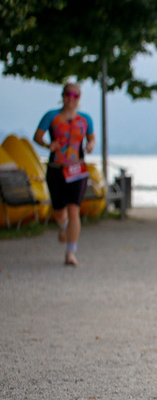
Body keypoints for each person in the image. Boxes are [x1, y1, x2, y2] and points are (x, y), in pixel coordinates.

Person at [34, 81, 96, 267]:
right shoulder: (51, 116)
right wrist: (47, 145)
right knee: (60, 212)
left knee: (74, 210)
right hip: (56, 169)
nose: (71, 98)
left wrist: (91, 145)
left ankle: (71, 252)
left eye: (75, 95)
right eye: (68, 94)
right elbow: (37, 136)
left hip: (77, 170)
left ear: (80, 98)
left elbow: (91, 138)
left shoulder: (85, 119)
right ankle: (63, 226)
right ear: (62, 96)